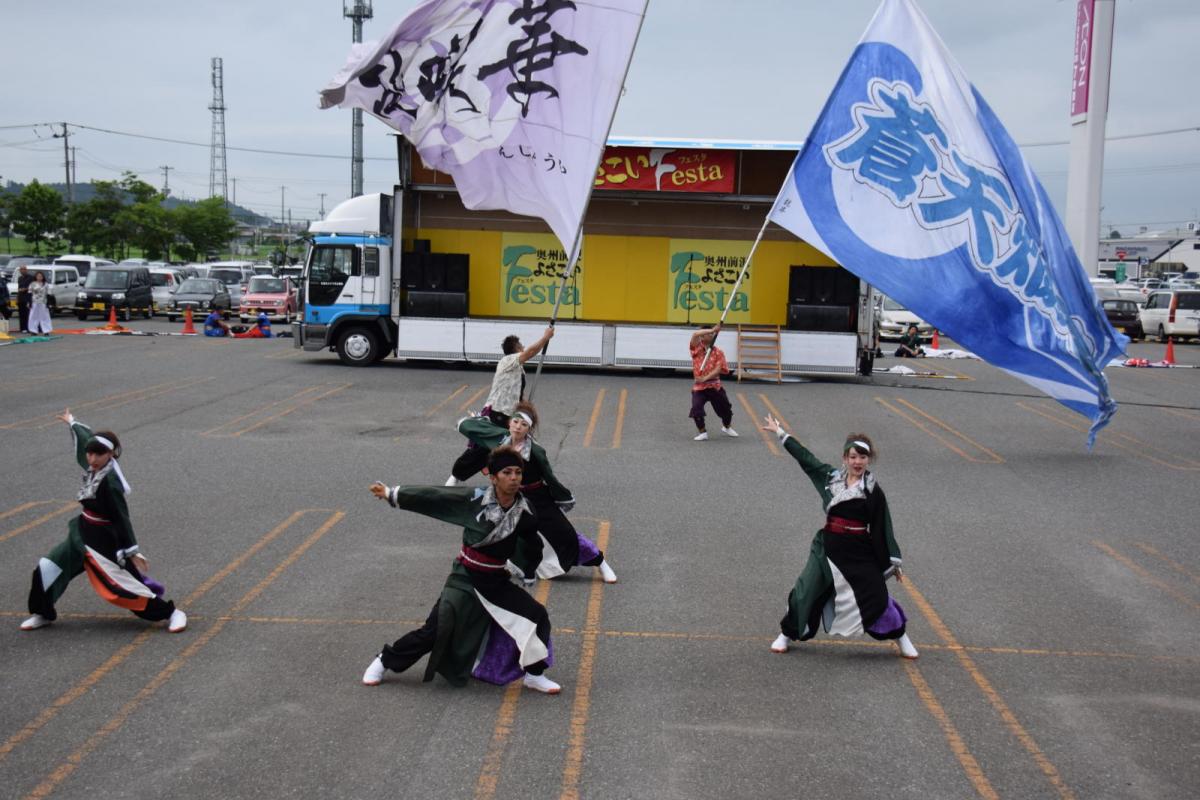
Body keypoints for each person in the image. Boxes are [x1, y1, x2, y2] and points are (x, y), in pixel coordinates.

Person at [363, 446, 561, 694]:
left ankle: (534, 674)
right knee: (435, 630)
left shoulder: (525, 511)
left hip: (495, 580)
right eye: (507, 472)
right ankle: (384, 660)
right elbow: (436, 496)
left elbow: (531, 544)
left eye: (518, 473)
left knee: (536, 614)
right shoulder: (475, 499)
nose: (514, 478)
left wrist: (525, 569)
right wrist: (393, 494)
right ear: (493, 477)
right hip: (465, 577)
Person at [760, 415, 917, 660]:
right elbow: (807, 459)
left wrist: (891, 560)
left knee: (876, 595)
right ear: (845, 458)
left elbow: (882, 526)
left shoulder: (873, 491)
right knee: (805, 590)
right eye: (852, 457)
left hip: (857, 550)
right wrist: (782, 434)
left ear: (869, 459)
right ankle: (787, 634)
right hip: (827, 546)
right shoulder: (830, 478)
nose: (857, 462)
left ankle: (901, 636)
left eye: (862, 457)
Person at [21, 410, 187, 633]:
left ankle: (171, 613)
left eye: (98, 455)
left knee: (122, 588)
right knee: (48, 568)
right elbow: (84, 439)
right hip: (80, 533)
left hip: (102, 541)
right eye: (90, 454)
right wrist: (72, 422)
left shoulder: (110, 482)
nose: (91, 459)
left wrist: (132, 550)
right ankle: (43, 613)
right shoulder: (93, 465)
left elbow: (121, 517)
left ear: (111, 454)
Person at [457, 401, 617, 584]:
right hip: (506, 496)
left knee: (564, 533)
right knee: (500, 530)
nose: (518, 427)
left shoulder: (535, 451)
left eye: (524, 424)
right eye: (516, 422)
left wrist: (561, 497)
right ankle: (500, 564)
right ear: (509, 422)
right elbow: (469, 427)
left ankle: (600, 562)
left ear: (529, 429)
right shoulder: (499, 439)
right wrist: (481, 419)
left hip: (536, 497)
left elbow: (549, 476)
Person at [445, 326, 555, 485]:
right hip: (497, 414)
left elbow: (516, 392)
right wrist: (546, 338)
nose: (523, 347)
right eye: (521, 345)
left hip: (510, 417)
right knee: (482, 449)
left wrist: (524, 406)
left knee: (517, 447)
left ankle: (526, 479)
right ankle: (455, 476)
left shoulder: (518, 369)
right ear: (516, 348)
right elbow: (530, 352)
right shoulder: (508, 361)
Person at [688, 322, 737, 441]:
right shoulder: (696, 349)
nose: (711, 335)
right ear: (703, 336)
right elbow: (695, 334)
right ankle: (702, 432)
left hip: (715, 386)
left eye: (712, 334)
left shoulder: (718, 352)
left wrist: (705, 378)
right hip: (699, 388)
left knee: (726, 410)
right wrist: (712, 329)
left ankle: (727, 426)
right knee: (696, 408)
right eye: (708, 333)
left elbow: (718, 369)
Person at [27, 271, 53, 335]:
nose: (39, 277)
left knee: (44, 317)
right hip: (34, 302)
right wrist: (29, 302)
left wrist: (48, 303)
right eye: (38, 276)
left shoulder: (46, 284)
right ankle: (33, 331)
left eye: (41, 276)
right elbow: (29, 294)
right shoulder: (32, 284)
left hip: (43, 302)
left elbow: (48, 294)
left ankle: (46, 331)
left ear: (43, 277)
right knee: (33, 316)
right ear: (36, 277)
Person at [16, 264, 33, 333]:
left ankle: (29, 327)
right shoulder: (19, 278)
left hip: (27, 297)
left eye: (24, 269)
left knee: (27, 313)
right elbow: (19, 288)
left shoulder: (31, 277)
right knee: (21, 314)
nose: (22, 270)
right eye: (21, 269)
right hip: (21, 298)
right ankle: (22, 328)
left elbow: (32, 287)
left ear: (26, 270)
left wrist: (25, 289)